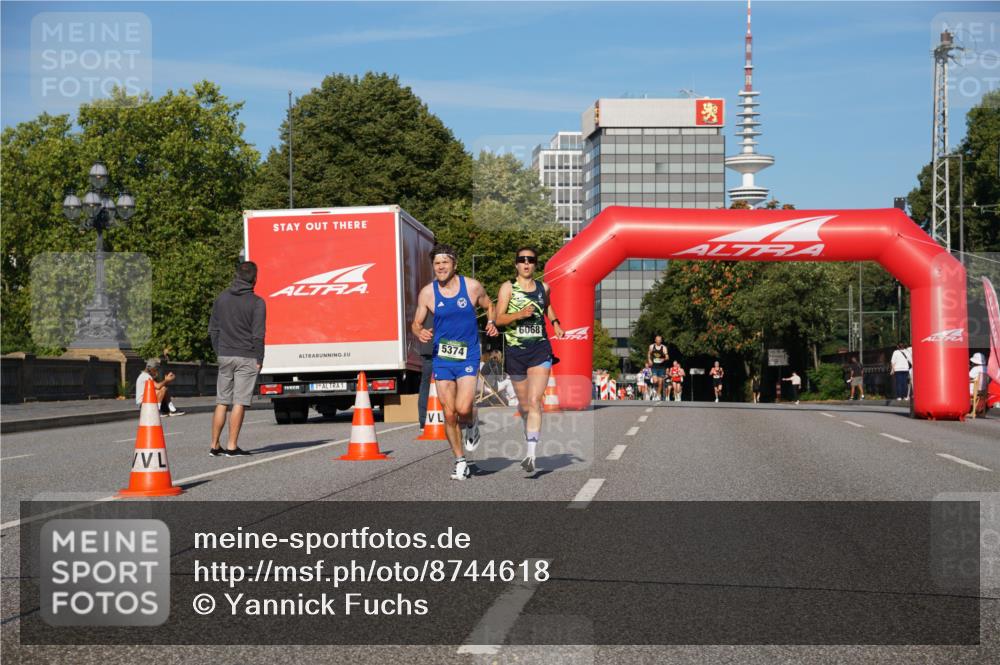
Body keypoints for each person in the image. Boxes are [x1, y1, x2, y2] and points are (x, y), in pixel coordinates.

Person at [412, 244, 498, 480]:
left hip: (468, 355)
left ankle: (471, 423)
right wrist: (419, 330)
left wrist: (491, 321)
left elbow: (489, 304)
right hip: (443, 357)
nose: (440, 267)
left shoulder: (471, 287)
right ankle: (460, 461)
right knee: (449, 414)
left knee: (462, 409)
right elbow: (416, 322)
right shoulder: (427, 293)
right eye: (437, 263)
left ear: (454, 264)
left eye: (445, 262)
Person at [496, 246, 564, 475]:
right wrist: (518, 315)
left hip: (539, 349)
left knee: (535, 401)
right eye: (522, 260)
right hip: (515, 352)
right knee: (524, 405)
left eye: (531, 260)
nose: (526, 264)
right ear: (516, 264)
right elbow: (498, 319)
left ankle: (531, 454)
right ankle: (530, 437)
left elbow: (548, 307)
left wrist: (555, 323)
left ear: (535, 264)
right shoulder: (508, 288)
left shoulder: (543, 287)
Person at [208, 261, 266, 457]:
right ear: (254, 279)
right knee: (239, 401)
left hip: (225, 354)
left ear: (236, 276)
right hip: (247, 356)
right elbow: (258, 334)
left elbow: (213, 329)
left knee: (222, 401)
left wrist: (219, 350)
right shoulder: (257, 302)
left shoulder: (221, 298)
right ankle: (232, 446)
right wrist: (260, 357)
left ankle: (214, 446)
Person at [416, 337, 435, 428]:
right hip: (433, 349)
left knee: (426, 384)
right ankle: (424, 420)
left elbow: (415, 325)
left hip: (431, 347)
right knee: (427, 384)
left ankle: (424, 421)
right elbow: (415, 325)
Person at [647, 335, 669, 401]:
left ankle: (658, 395)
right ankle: (654, 388)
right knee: (655, 380)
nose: (659, 341)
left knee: (660, 383)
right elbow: (649, 353)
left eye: (660, 340)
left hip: (661, 367)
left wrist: (664, 359)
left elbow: (667, 357)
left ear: (661, 341)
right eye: (657, 340)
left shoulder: (664, 347)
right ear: (655, 340)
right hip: (654, 366)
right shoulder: (651, 346)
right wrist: (649, 360)